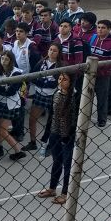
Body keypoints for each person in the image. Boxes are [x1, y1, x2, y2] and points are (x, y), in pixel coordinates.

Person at [38, 71, 77, 204]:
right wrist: (47, 134)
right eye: (59, 79)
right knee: (56, 161)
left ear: (71, 82)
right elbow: (52, 115)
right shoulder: (56, 93)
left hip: (67, 136)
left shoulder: (74, 97)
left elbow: (73, 120)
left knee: (67, 164)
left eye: (64, 79)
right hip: (55, 132)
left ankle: (65, 193)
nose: (60, 82)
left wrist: (67, 136)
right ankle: (52, 188)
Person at [0, 51, 26, 160]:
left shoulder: (17, 73)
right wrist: (3, 88)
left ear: (11, 61)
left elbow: (11, 91)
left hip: (10, 104)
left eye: (6, 59)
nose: (3, 61)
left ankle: (18, 151)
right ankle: (0, 148)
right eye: (2, 59)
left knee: (2, 130)